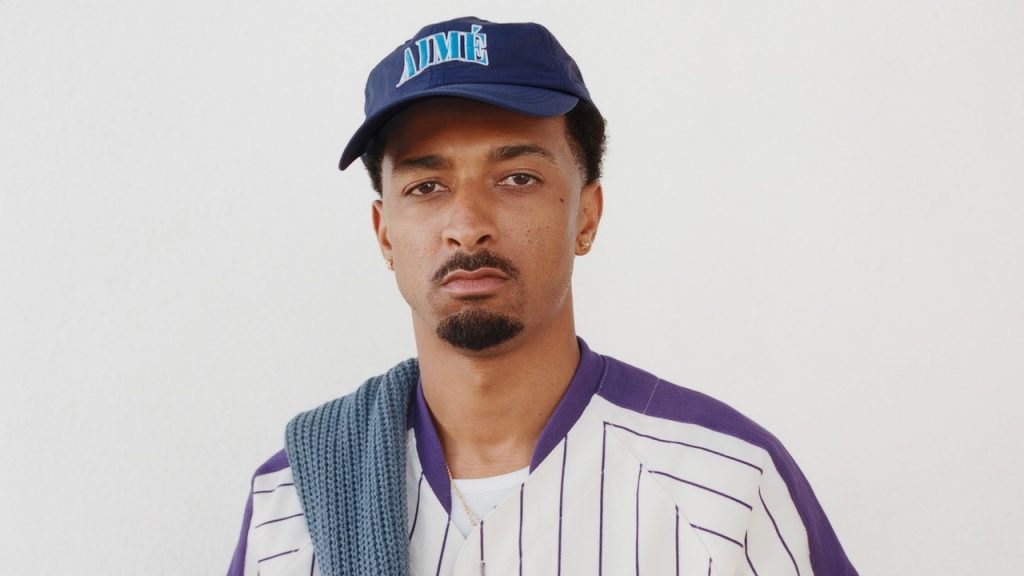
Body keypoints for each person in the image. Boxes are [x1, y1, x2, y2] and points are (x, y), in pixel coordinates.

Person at [227, 17, 858, 576]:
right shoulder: (294, 504)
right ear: (384, 232)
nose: (467, 224)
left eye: (517, 178)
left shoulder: (724, 485)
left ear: (587, 215)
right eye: (426, 186)